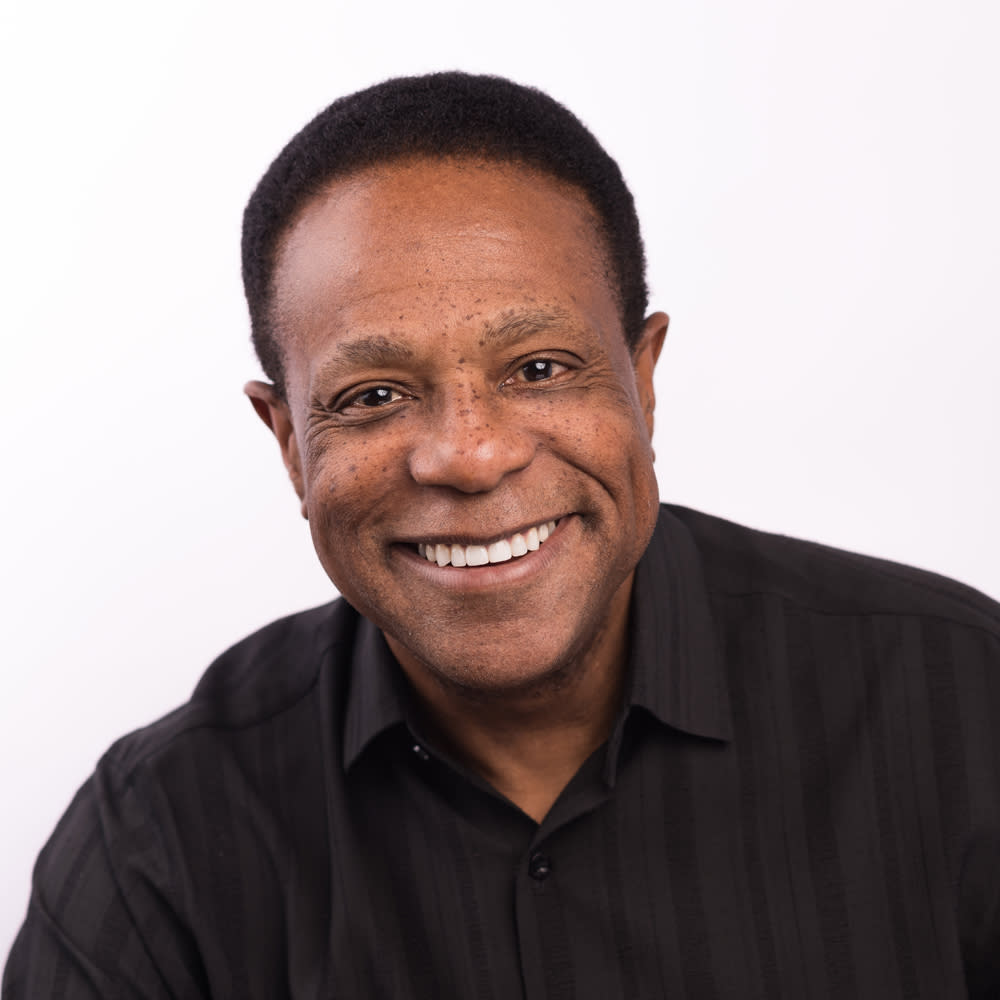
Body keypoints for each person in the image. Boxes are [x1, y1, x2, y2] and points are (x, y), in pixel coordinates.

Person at [4, 71, 1000, 999]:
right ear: (289, 445)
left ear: (643, 380)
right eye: (374, 394)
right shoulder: (161, 841)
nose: (470, 456)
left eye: (539, 368)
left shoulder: (962, 709)